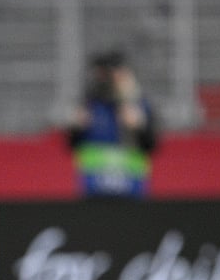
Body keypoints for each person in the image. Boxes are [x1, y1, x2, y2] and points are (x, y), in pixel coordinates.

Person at [67, 51, 158, 199]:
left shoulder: (139, 105)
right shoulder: (89, 105)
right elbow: (72, 145)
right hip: (95, 187)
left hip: (130, 186)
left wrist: (139, 126)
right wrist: (77, 127)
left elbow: (151, 145)